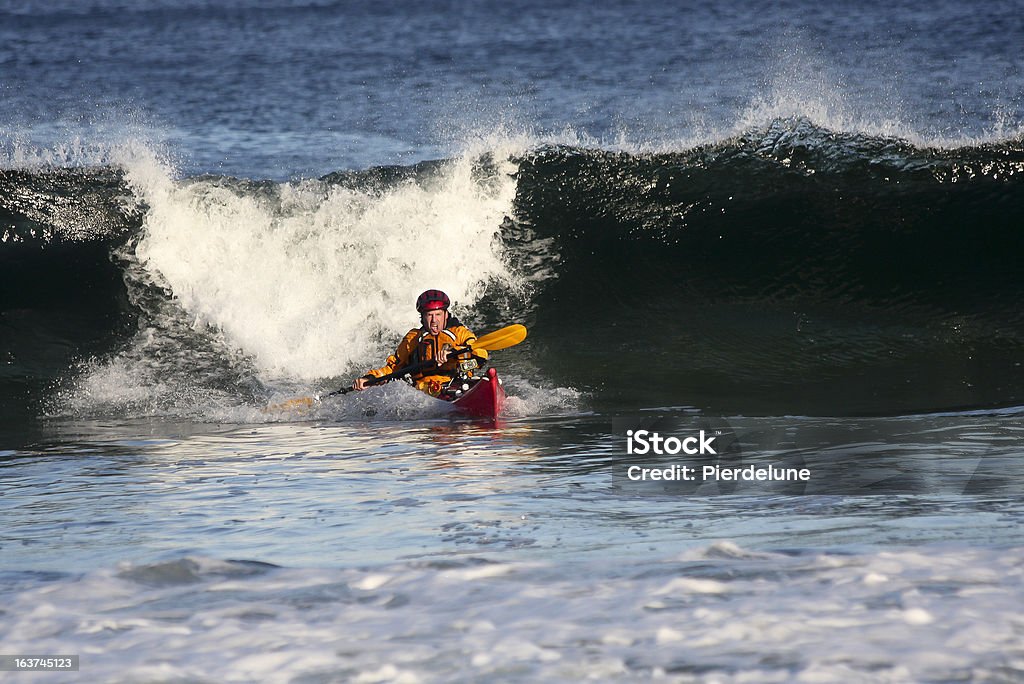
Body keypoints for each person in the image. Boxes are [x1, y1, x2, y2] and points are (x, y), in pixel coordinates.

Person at [352, 289, 489, 396]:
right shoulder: (413, 338)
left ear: (446, 315)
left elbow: (481, 354)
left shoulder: (460, 333)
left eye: (438, 314)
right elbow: (393, 368)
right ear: (422, 318)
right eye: (429, 315)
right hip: (426, 389)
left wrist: (453, 352)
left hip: (457, 382)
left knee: (477, 371)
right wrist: (368, 379)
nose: (434, 320)